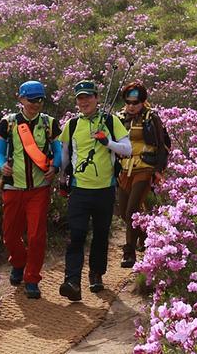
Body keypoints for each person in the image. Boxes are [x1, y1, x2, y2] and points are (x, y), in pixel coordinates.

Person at [59, 80, 131, 301]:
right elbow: (64, 154)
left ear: (97, 98)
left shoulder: (111, 121)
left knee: (101, 234)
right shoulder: (71, 125)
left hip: (105, 190)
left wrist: (107, 142)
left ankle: (96, 274)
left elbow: (127, 149)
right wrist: (62, 178)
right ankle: (72, 281)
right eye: (81, 98)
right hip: (79, 189)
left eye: (89, 96)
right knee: (77, 235)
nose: (85, 101)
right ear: (77, 101)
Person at [0, 80, 62, 299]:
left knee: (36, 236)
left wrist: (55, 165)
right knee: (10, 235)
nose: (36, 104)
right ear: (21, 99)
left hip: (39, 189)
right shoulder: (8, 123)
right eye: (32, 100)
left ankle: (32, 278)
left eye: (40, 100)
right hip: (13, 188)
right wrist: (0, 165)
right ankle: (19, 262)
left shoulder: (50, 123)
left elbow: (58, 151)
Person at [114, 82, 170, 269]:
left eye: (135, 102)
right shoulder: (119, 118)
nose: (131, 106)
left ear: (142, 101)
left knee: (131, 212)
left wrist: (159, 170)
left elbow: (162, 145)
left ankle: (129, 253)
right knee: (123, 212)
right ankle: (146, 234)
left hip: (145, 167)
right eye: (128, 102)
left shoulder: (151, 117)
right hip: (124, 169)